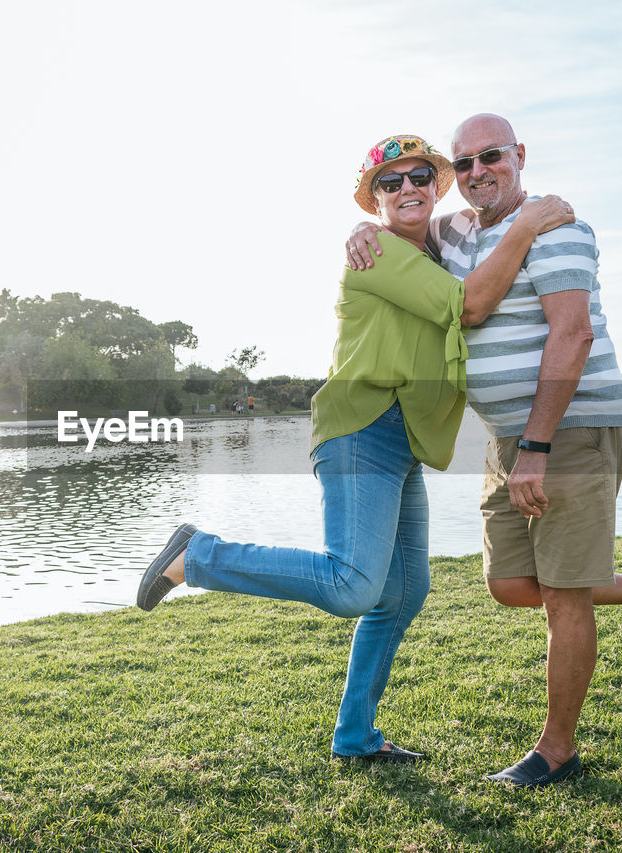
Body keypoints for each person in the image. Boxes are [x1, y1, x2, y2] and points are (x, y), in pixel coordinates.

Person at [137, 134, 574, 763]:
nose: (406, 190)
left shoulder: (446, 244)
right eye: (388, 184)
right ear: (373, 199)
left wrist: (514, 219)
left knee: (403, 593)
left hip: (402, 435)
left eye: (419, 176)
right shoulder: (377, 256)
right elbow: (469, 304)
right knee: (351, 586)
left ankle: (356, 736)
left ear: (436, 183)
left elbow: (471, 248)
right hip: (362, 428)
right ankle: (198, 555)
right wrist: (530, 222)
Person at [347, 114, 622, 787]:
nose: (477, 171)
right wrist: (365, 227)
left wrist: (538, 446)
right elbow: (407, 233)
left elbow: (569, 336)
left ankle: (557, 750)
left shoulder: (558, 229)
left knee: (565, 595)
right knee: (511, 584)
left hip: (566, 428)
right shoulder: (453, 233)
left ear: (519, 155)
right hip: (507, 437)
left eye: (492, 156)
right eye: (463, 162)